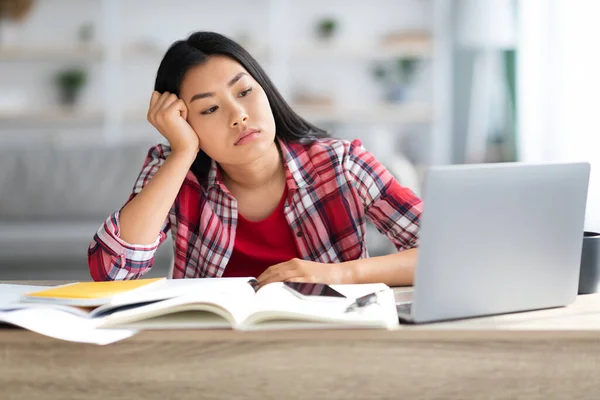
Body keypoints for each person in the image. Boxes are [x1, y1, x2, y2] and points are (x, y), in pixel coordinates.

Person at [88, 31, 422, 287]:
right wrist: (183, 153)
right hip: (210, 350)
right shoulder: (174, 169)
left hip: (326, 342)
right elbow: (112, 273)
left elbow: (446, 252)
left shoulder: (341, 163)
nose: (238, 116)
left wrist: (341, 275)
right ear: (184, 121)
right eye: (209, 109)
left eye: (245, 92)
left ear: (265, 90)